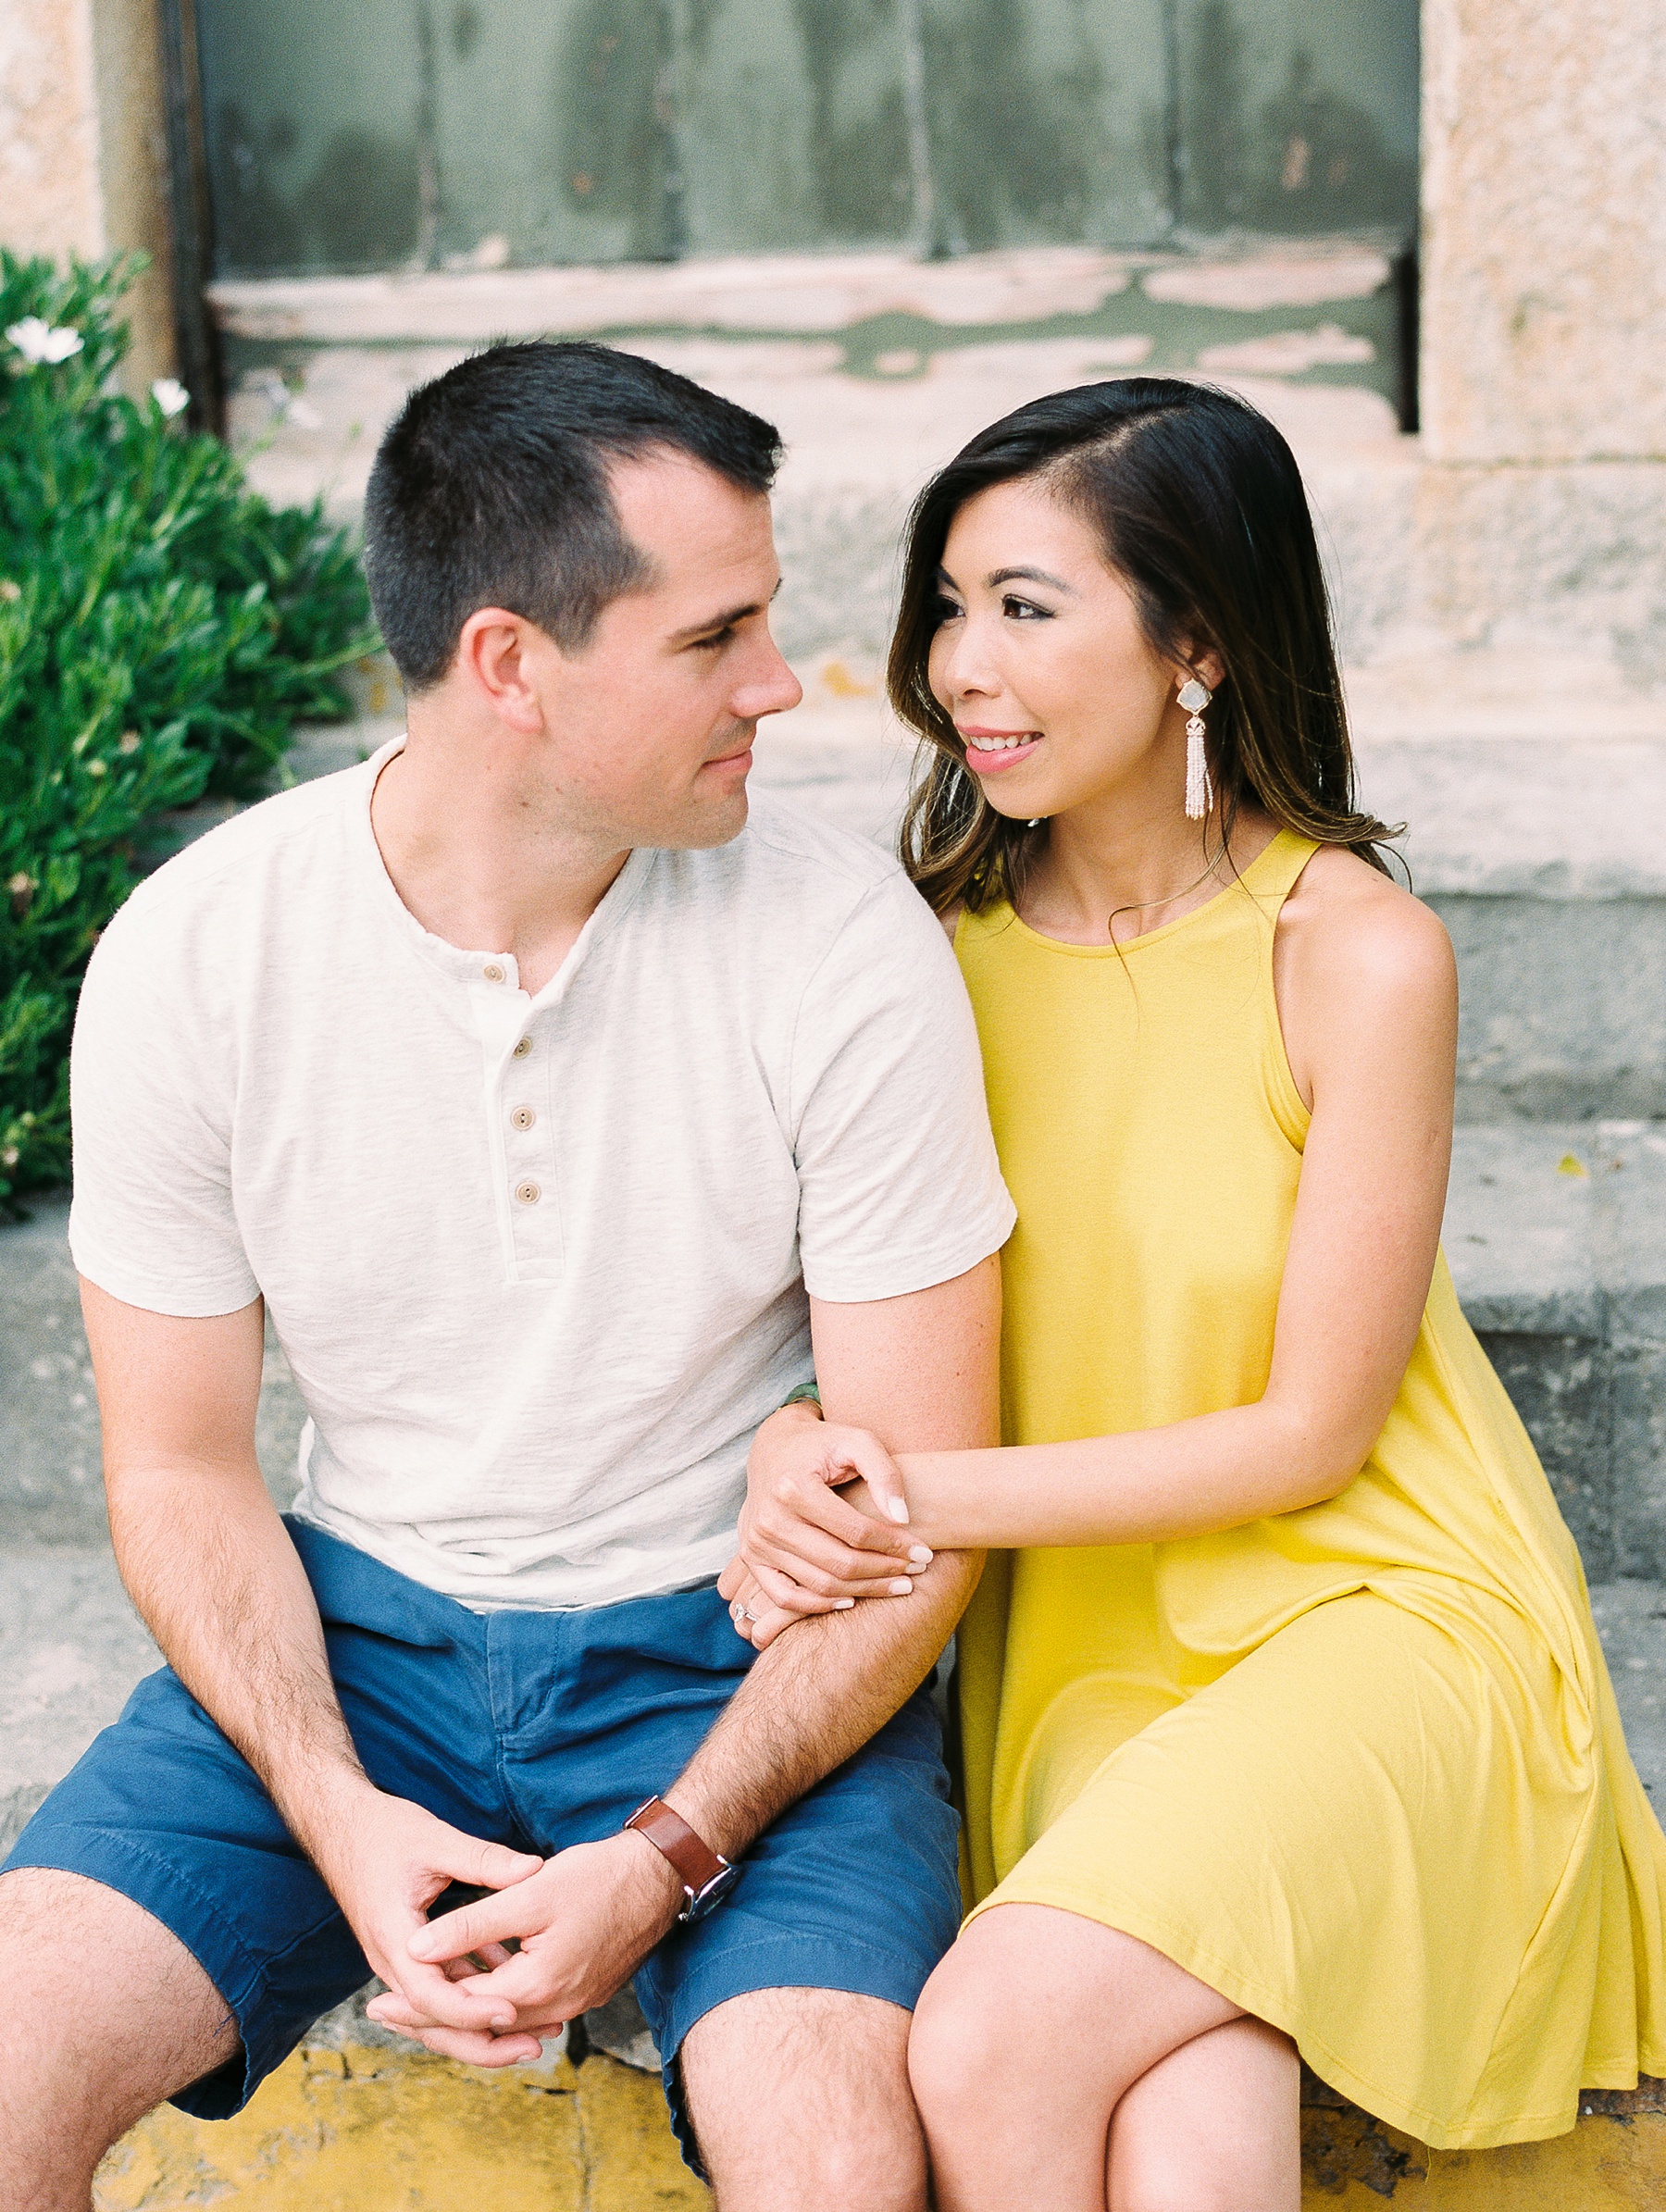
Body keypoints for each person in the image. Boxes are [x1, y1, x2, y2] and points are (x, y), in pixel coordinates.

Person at [0, 340, 1017, 2212]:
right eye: (716, 639)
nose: (783, 686)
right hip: (354, 1650)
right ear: (508, 668)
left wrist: (664, 1852)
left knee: (841, 2167)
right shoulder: (195, 957)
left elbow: (921, 1510)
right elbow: (176, 1471)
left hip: (746, 1654)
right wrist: (337, 1810)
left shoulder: (843, 943)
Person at [726, 378, 1666, 2212]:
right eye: (947, 605)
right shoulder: (916, 951)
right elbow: (797, 1311)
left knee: (998, 2034)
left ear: (1202, 642)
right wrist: (790, 1435)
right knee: (1185, 2099)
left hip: (1381, 1618)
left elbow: (1313, 1431)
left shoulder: (1356, 952)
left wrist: (887, 1495)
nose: (957, 668)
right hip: (1089, 1656)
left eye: (1026, 606)